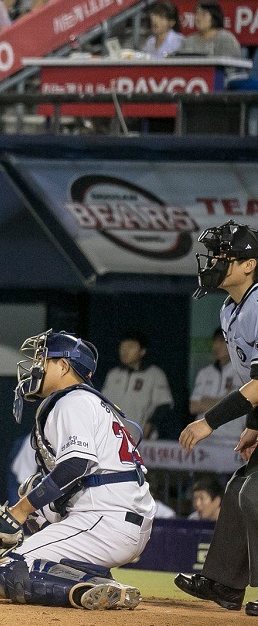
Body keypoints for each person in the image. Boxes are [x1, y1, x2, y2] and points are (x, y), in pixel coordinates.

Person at [0, 330, 152, 610]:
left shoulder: (73, 400)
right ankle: (99, 581)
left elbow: (74, 465)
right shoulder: (91, 402)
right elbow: (68, 483)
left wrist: (17, 513)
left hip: (106, 518)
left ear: (64, 366)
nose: (36, 366)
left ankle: (84, 591)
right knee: (32, 490)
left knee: (6, 569)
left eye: (43, 358)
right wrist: (11, 523)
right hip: (116, 515)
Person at [176, 221, 258, 616]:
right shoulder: (230, 308)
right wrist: (255, 425)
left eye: (225, 256)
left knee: (253, 494)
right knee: (237, 488)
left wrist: (209, 421)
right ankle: (226, 584)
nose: (215, 261)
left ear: (249, 265)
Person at [100, 331, 172, 439]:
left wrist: (150, 425)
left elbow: (164, 404)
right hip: (111, 440)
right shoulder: (113, 374)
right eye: (122, 346)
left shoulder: (154, 374)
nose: (125, 350)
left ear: (142, 351)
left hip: (140, 441)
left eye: (130, 347)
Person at [191, 328, 246, 450]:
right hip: (204, 439)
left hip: (232, 439)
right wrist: (226, 399)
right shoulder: (204, 373)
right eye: (215, 342)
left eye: (221, 342)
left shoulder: (242, 372)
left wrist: (206, 402)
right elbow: (193, 407)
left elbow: (240, 404)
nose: (217, 346)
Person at [179, 0, 246, 59]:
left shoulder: (225, 38)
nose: (197, 18)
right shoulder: (189, 40)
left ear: (214, 17)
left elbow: (230, 67)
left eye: (203, 14)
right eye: (196, 14)